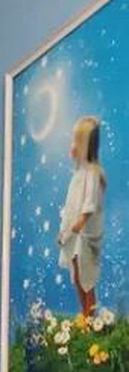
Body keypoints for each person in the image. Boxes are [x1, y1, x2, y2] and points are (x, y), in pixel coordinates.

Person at [57, 116, 107, 319]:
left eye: (77, 142)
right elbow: (71, 206)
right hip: (74, 234)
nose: (73, 146)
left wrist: (81, 220)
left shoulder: (92, 174)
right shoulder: (77, 175)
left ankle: (90, 315)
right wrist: (64, 230)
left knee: (85, 277)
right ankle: (85, 314)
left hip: (83, 235)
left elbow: (90, 201)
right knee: (77, 275)